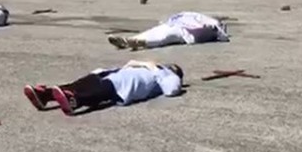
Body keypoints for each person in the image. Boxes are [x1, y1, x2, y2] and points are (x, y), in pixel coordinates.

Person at [23, 60, 184, 116]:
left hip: (123, 85)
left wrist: (154, 68)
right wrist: (139, 62)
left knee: (99, 91)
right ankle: (45, 95)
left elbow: (172, 90)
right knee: (79, 84)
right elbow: (128, 64)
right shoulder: (152, 68)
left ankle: (74, 101)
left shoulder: (167, 75)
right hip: (110, 74)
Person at [106, 12, 229, 51]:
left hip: (179, 29)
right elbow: (223, 35)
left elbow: (222, 34)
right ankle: (129, 41)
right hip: (176, 27)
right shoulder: (209, 20)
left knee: (161, 36)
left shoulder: (200, 17)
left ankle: (137, 41)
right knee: (159, 34)